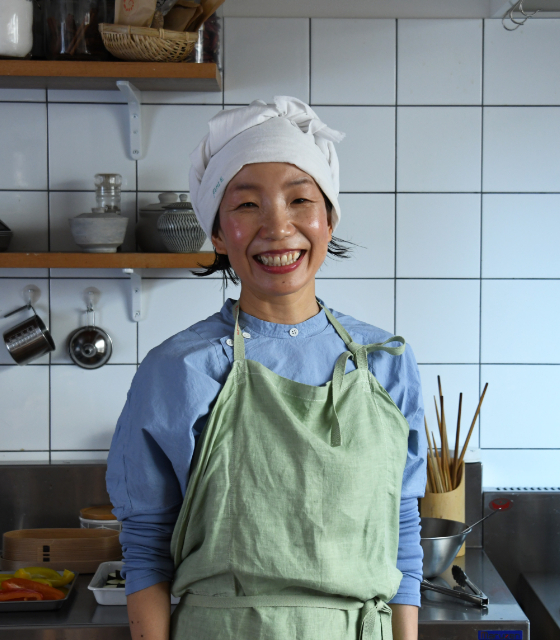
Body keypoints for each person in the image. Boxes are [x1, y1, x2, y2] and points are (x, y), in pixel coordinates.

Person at [106, 96, 426, 640]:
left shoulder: (384, 362)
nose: (278, 228)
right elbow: (147, 544)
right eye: (247, 205)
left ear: (328, 219)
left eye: (300, 200)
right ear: (215, 231)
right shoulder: (178, 368)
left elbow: (402, 530)